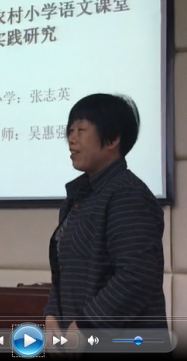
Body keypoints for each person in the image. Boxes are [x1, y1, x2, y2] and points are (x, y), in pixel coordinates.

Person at [44, 94, 167, 358]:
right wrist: (52, 316)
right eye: (70, 131)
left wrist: (88, 325)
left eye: (81, 130)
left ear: (112, 139)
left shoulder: (127, 194)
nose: (71, 139)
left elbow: (137, 275)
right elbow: (64, 271)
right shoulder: (78, 197)